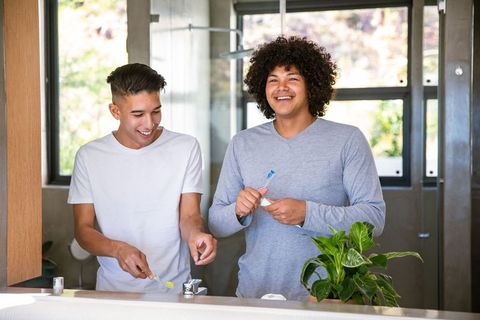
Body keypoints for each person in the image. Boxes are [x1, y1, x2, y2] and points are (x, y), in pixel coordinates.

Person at [208, 36, 385, 301]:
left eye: (292, 78)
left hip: (324, 295)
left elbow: (374, 219)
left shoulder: (347, 140)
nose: (281, 87)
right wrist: (237, 209)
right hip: (255, 293)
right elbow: (216, 224)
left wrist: (307, 213)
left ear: (312, 85)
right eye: (273, 79)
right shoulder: (243, 143)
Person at [68, 63, 217, 293]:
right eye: (138, 114)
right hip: (113, 294)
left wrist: (196, 234)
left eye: (156, 111)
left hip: (173, 291)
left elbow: (189, 215)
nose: (149, 123)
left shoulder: (186, 148)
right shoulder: (89, 157)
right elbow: (83, 230)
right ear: (115, 111)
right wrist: (117, 249)